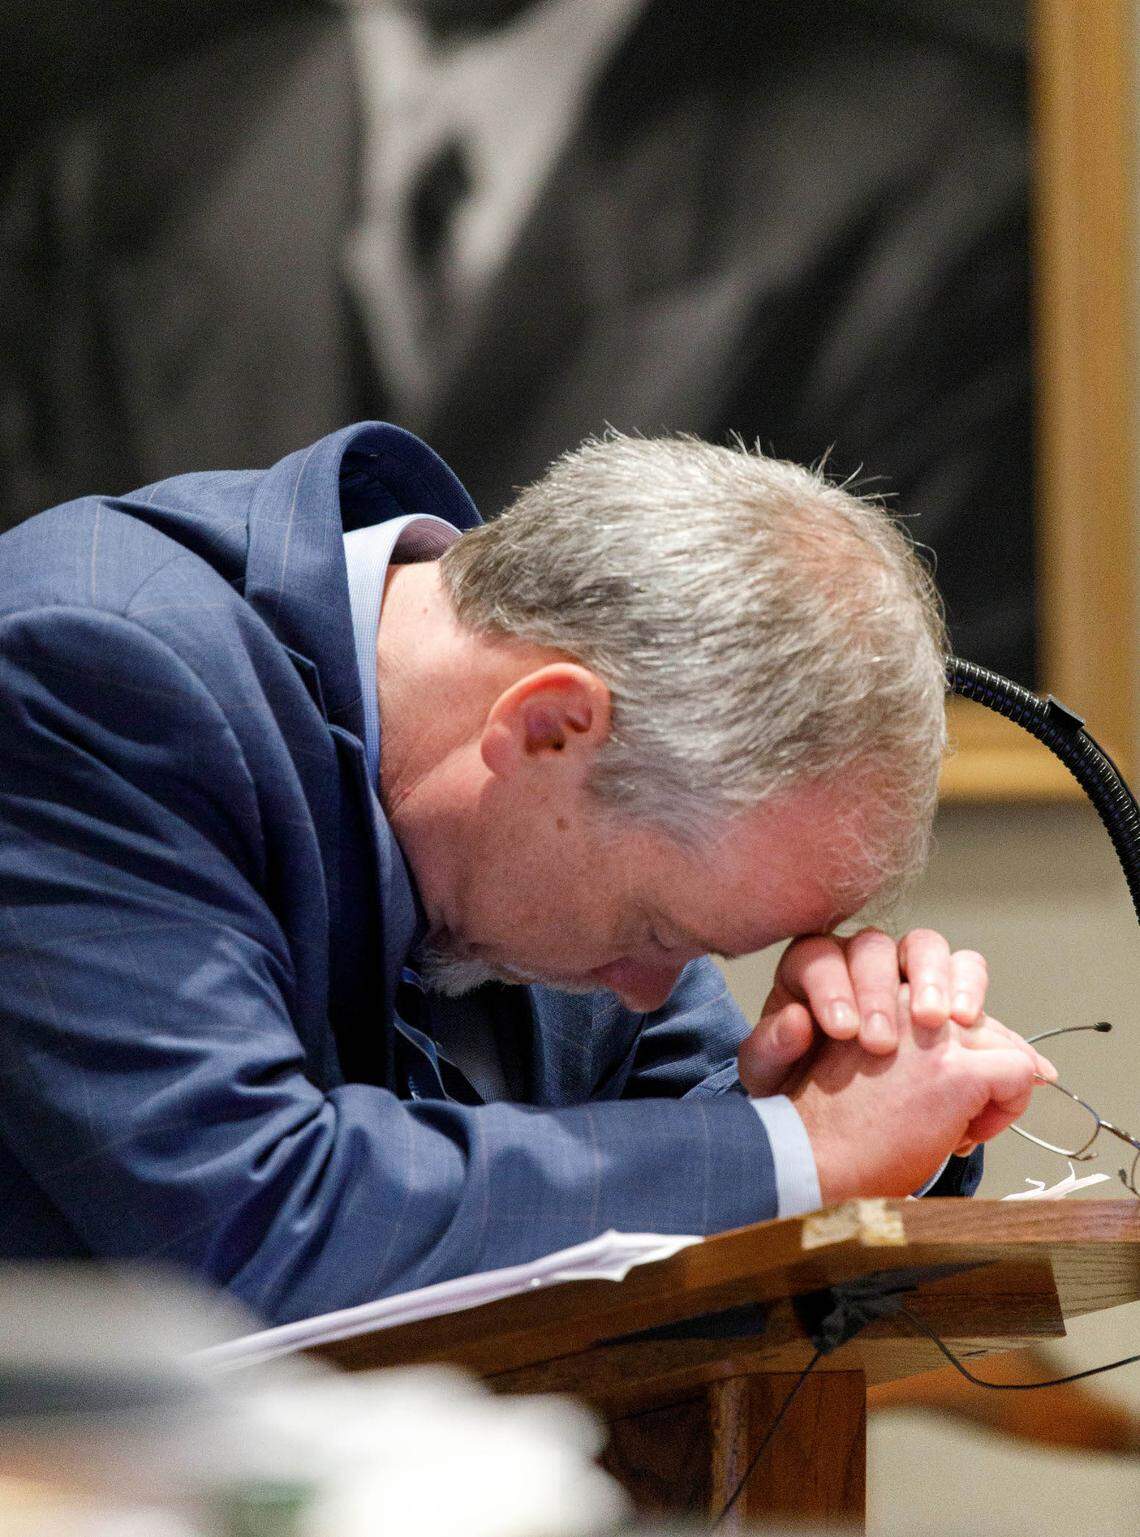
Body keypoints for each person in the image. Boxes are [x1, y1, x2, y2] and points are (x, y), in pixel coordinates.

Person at [0, 421, 1050, 1326]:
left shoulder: (580, 816)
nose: (654, 986)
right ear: (547, 727)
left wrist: (865, 1095)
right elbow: (253, 1219)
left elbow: (685, 1136)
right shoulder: (93, 673)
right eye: (659, 932)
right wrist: (804, 1154)